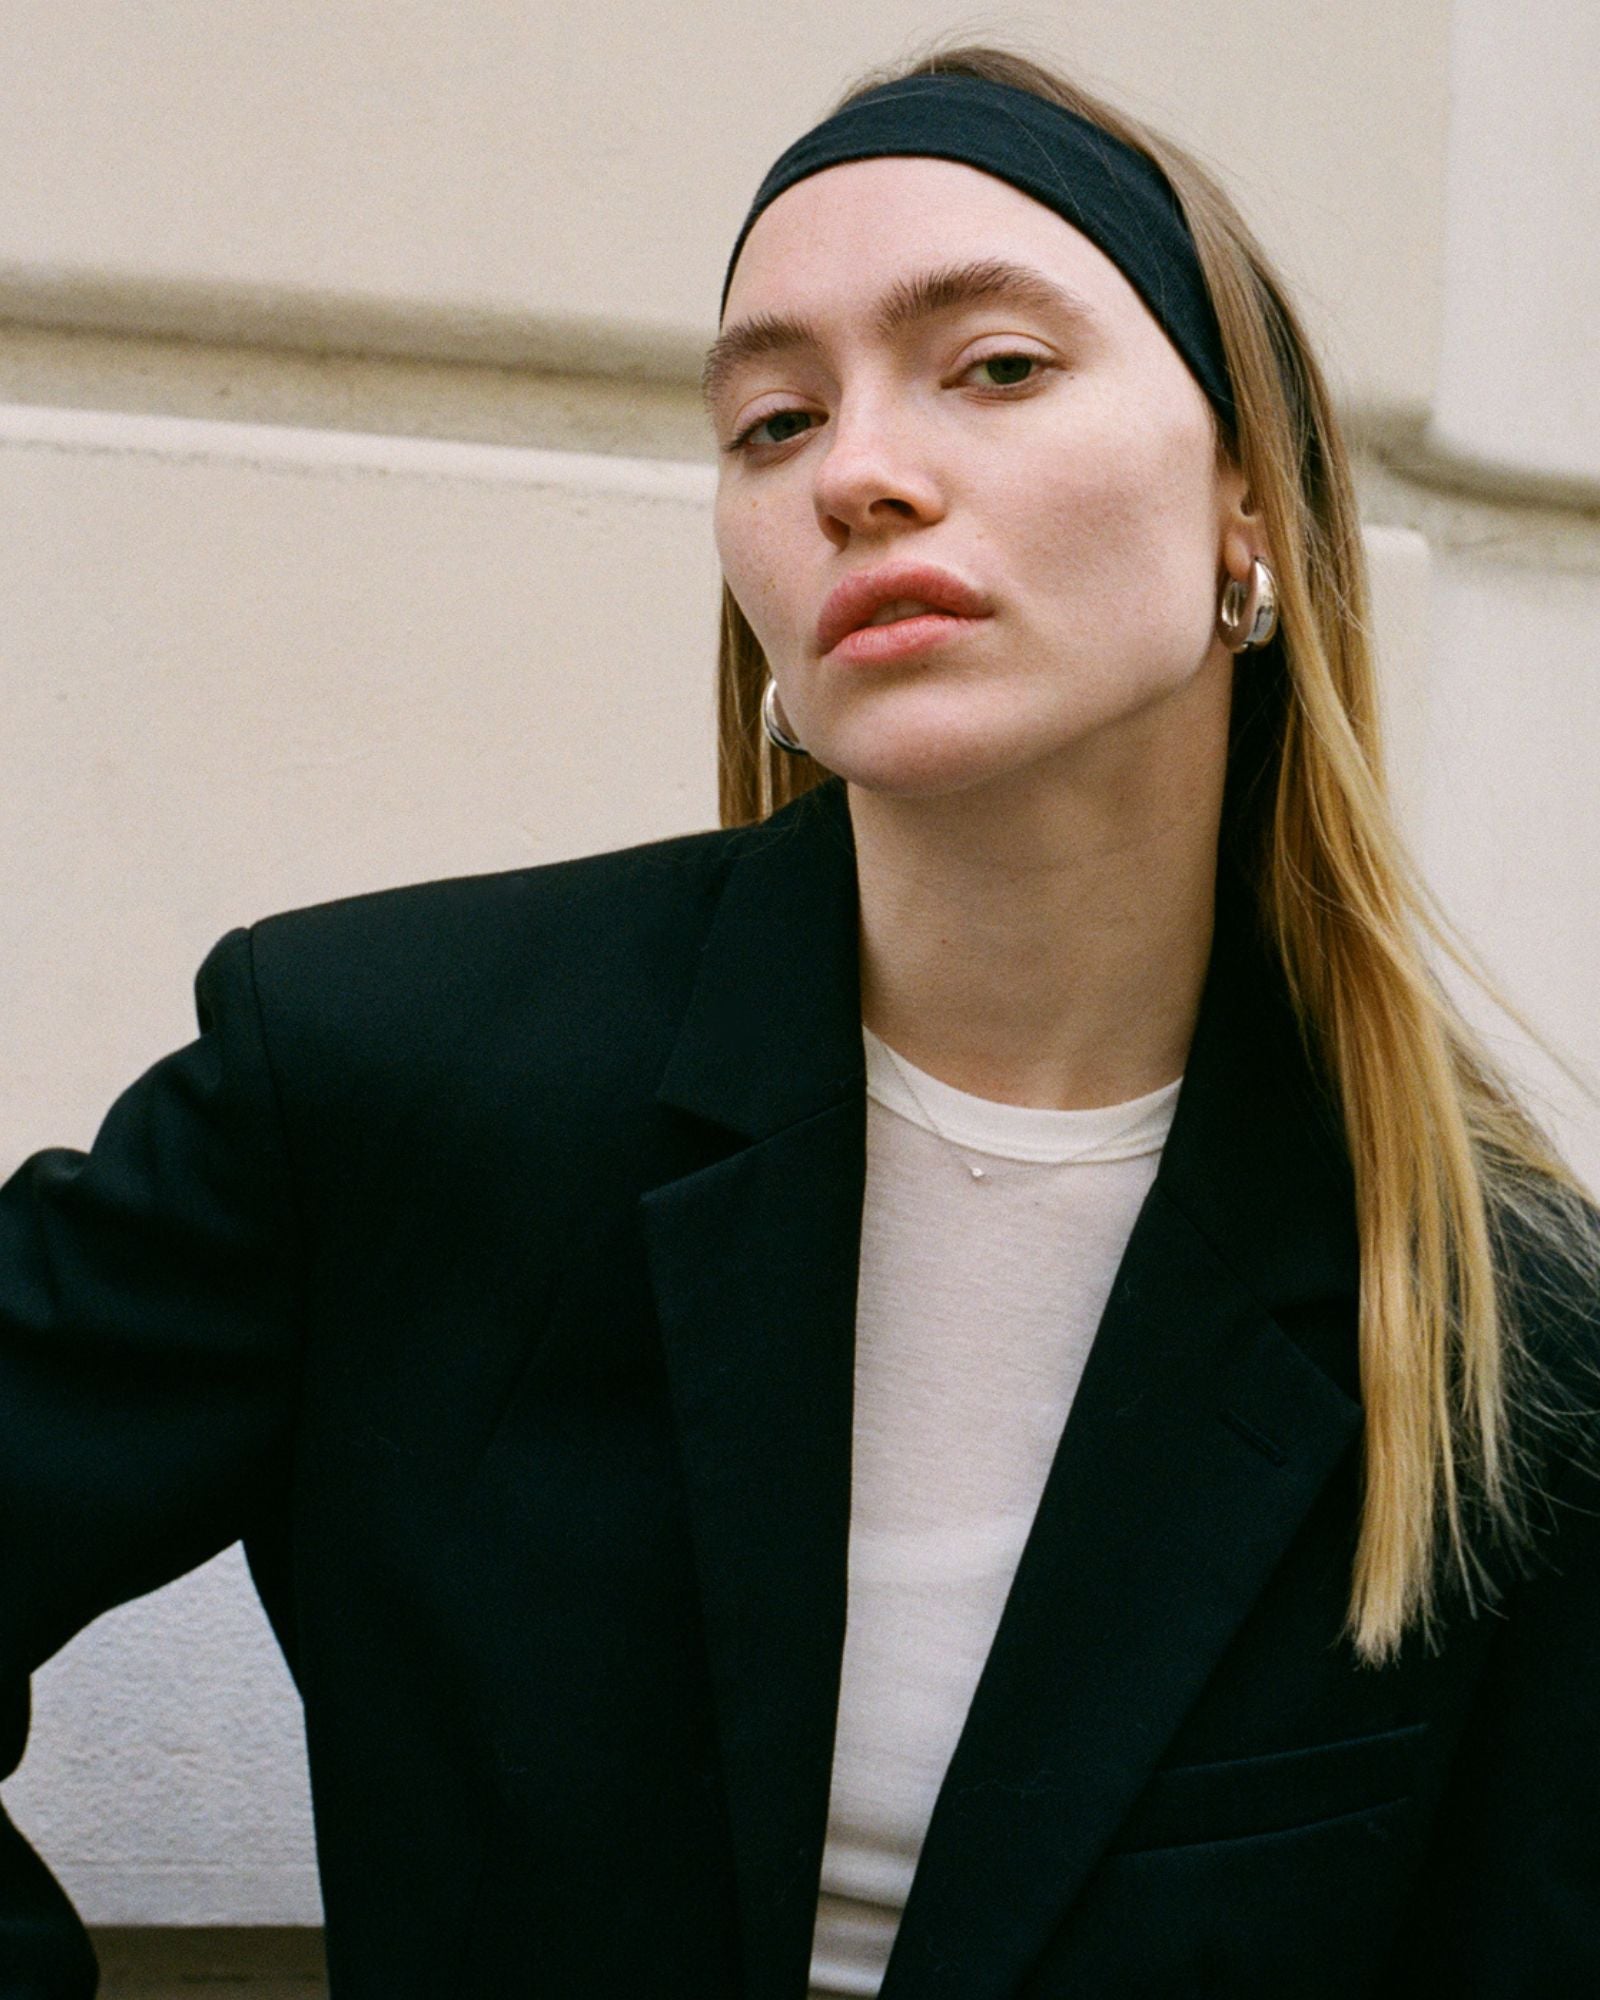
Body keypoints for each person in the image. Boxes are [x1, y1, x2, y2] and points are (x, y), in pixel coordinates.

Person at [2, 39, 1597, 2000]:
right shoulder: (374, 1076)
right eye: (768, 421)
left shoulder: (1482, 1309)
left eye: (993, 366)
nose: (855, 471)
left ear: (1244, 505)